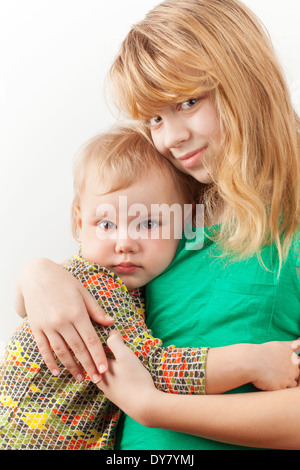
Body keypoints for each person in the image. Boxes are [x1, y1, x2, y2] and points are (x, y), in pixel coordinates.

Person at [14, 0, 299, 450]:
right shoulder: (178, 210)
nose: (171, 138)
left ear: (247, 77)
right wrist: (38, 274)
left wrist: (152, 407)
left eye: (189, 101)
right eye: (155, 118)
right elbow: (101, 275)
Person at [3, 125, 295, 450]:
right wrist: (253, 361)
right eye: (107, 224)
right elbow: (152, 370)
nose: (125, 242)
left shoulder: (132, 282)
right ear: (79, 222)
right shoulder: (96, 284)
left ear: (184, 224)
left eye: (148, 223)